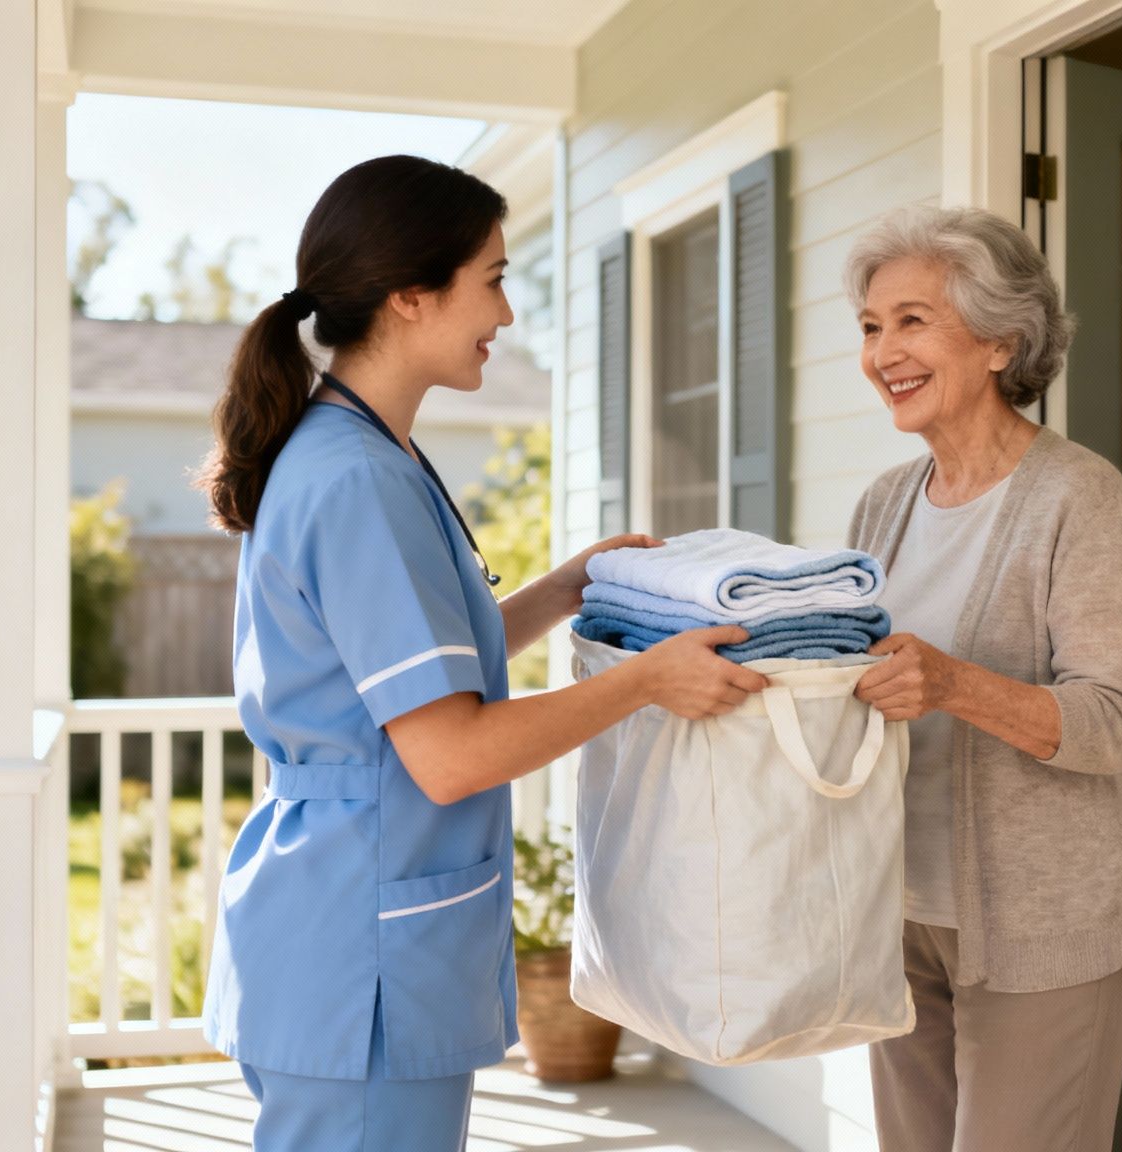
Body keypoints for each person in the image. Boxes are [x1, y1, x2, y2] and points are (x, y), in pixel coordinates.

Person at [196, 154, 767, 1152]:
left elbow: (417, 671)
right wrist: (647, 681)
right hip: (358, 967)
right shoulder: (357, 480)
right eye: (494, 279)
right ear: (410, 296)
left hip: (349, 940)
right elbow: (449, 753)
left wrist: (564, 588)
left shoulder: (367, 453)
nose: (506, 315)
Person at [843, 205, 1122, 1152]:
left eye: (910, 320)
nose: (881, 351)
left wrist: (951, 684)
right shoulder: (883, 504)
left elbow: (1114, 721)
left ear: (998, 340)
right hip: (900, 911)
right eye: (869, 326)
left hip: (1040, 923)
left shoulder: (1076, 494)